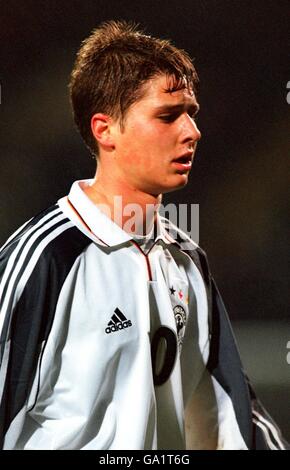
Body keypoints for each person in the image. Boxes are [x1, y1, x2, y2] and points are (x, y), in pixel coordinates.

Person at [0, 20, 288, 451]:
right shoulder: (44, 259)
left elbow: (227, 417)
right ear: (105, 130)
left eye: (191, 113)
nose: (192, 132)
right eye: (168, 115)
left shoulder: (186, 259)